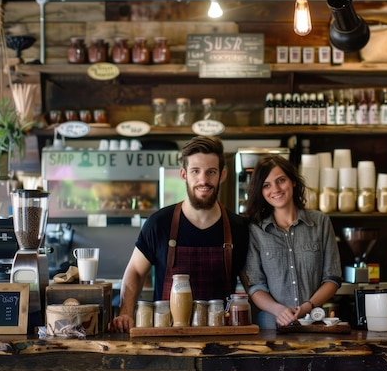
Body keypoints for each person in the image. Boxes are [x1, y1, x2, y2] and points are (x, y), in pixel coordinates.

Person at [111, 136, 249, 333]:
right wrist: (126, 312)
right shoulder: (159, 223)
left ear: (222, 175)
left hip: (221, 339)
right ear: (184, 174)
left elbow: (252, 284)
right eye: (195, 171)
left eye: (211, 172)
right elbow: (135, 270)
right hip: (166, 339)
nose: (203, 180)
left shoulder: (239, 227)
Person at [242, 155, 342, 329]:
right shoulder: (255, 230)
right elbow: (255, 285)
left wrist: (307, 307)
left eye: (281, 180)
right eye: (266, 185)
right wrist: (279, 310)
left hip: (313, 323)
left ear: (293, 182)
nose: (276, 189)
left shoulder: (320, 222)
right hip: (271, 327)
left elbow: (332, 278)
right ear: (261, 191)